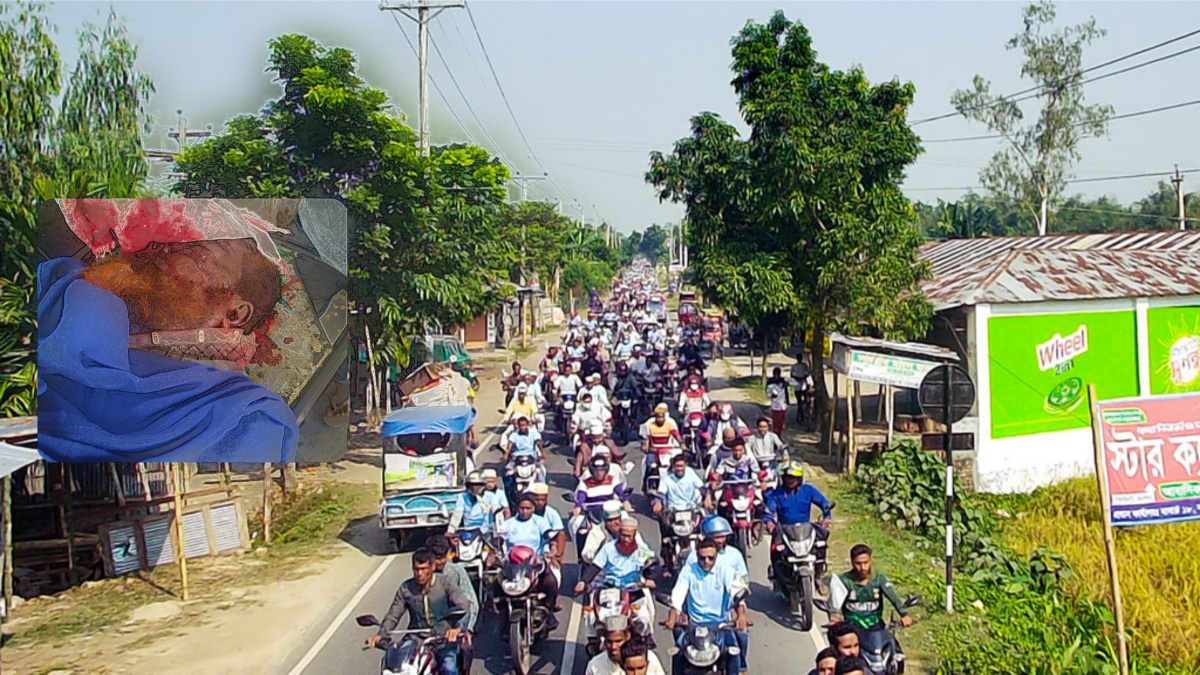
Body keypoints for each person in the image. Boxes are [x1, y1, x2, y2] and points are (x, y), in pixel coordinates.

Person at [38, 234, 298, 461]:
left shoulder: (254, 417)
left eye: (202, 250)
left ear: (235, 313)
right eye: (179, 241)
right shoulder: (73, 280)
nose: (170, 247)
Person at [368, 548, 471, 675]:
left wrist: (457, 629)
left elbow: (464, 606)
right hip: (415, 641)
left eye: (423, 569)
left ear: (432, 567)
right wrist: (382, 634)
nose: (419, 574)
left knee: (448, 668)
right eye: (416, 569)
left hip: (443, 640)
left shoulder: (445, 584)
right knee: (394, 666)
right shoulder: (406, 589)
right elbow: (393, 614)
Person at [666, 538, 747, 675]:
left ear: (716, 556)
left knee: (733, 652)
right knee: (678, 653)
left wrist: (741, 615)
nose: (706, 562)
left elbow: (737, 592)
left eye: (711, 558)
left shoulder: (725, 570)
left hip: (720, 625)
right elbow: (678, 593)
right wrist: (673, 613)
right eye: (702, 558)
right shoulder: (688, 570)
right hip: (693, 625)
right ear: (697, 555)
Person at [575, 517, 658, 639]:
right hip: (609, 590)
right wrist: (583, 581)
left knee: (643, 618)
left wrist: (650, 579)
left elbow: (653, 564)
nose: (625, 539)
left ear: (634, 535)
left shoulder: (640, 550)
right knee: (592, 616)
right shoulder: (608, 548)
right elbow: (595, 567)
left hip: (633, 590)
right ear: (619, 534)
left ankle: (644, 641)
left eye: (629, 536)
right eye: (623, 535)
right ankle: (594, 641)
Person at [763, 461, 832, 586]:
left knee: (821, 542)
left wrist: (827, 517)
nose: (791, 481)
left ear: (799, 478)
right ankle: (777, 575)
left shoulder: (808, 490)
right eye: (788, 477)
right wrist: (769, 522)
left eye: (794, 478)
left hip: (805, 529)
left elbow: (824, 503)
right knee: (775, 549)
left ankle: (817, 575)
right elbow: (769, 510)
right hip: (784, 530)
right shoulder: (776, 494)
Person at [500, 495, 561, 629]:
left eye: (528, 508)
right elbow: (499, 539)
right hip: (513, 564)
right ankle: (503, 615)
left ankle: (548, 612)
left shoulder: (539, 522)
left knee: (551, 583)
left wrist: (553, 548)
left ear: (533, 509)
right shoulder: (509, 524)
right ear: (517, 508)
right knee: (496, 584)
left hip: (534, 563)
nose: (524, 511)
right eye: (522, 508)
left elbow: (549, 536)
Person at [829, 544, 913, 631]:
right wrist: (834, 616)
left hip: (876, 626)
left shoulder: (879, 579)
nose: (863, 568)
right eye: (858, 563)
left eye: (866, 563)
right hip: (852, 627)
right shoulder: (844, 581)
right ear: (852, 562)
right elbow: (835, 603)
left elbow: (893, 597)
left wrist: (904, 615)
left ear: (870, 561)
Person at [426, 535, 479, 671]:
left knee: (451, 666)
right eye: (435, 558)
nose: (439, 562)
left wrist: (466, 630)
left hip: (453, 631)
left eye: (442, 557)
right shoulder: (422, 574)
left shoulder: (457, 572)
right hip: (426, 633)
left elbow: (471, 604)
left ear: (448, 554)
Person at [654, 453, 706, 574]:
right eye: (677, 466)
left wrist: (707, 497)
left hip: (691, 509)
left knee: (704, 529)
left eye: (682, 466)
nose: (679, 469)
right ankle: (667, 563)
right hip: (674, 512)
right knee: (666, 534)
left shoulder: (691, 474)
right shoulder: (667, 479)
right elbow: (661, 493)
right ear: (673, 466)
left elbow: (702, 487)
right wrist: (658, 502)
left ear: (686, 465)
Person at [683, 515, 749, 584]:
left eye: (723, 536)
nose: (720, 540)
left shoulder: (735, 554)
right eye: (717, 537)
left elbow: (744, 579)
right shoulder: (693, 557)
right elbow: (685, 580)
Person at [528, 482, 567, 573]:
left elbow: (560, 535)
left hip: (546, 554)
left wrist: (557, 556)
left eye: (542, 500)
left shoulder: (552, 513)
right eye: (536, 500)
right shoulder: (524, 513)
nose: (539, 503)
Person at [448, 471, 500, 535]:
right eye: (472, 485)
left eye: (478, 485)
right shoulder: (462, 497)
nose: (475, 488)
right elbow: (457, 515)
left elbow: (497, 512)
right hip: (468, 531)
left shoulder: (491, 496)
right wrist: (450, 531)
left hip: (486, 532)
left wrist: (499, 529)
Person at [765, 367, 790, 435]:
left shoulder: (783, 381)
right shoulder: (770, 382)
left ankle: (779, 434)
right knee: (776, 421)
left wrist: (787, 400)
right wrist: (772, 395)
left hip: (783, 404)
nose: (776, 375)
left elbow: (786, 391)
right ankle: (776, 434)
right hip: (775, 405)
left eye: (778, 373)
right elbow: (767, 393)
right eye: (775, 373)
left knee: (781, 421)